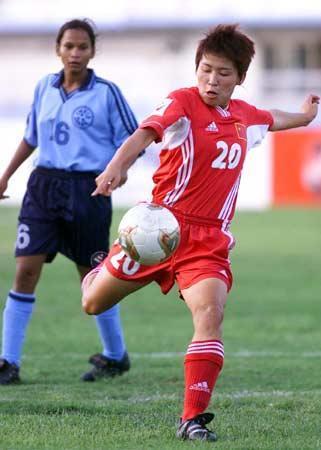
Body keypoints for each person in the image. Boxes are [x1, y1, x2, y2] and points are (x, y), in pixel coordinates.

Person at [81, 24, 319, 441]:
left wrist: (303, 116)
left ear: (240, 78)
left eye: (223, 73)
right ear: (197, 69)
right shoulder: (182, 103)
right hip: (156, 230)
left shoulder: (244, 115)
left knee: (211, 316)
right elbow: (144, 133)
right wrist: (118, 165)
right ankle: (99, 270)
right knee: (92, 304)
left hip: (207, 243)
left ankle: (191, 419)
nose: (212, 80)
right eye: (206, 69)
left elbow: (271, 118)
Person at [0, 19, 140, 385]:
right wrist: (6, 175)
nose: (75, 53)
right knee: (25, 270)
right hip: (43, 186)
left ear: (93, 51)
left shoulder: (107, 93)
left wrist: (119, 171)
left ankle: (115, 356)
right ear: (57, 49)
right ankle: (8, 362)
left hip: (87, 191)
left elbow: (136, 138)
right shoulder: (43, 88)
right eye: (69, 46)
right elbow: (31, 136)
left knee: (93, 280)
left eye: (82, 47)